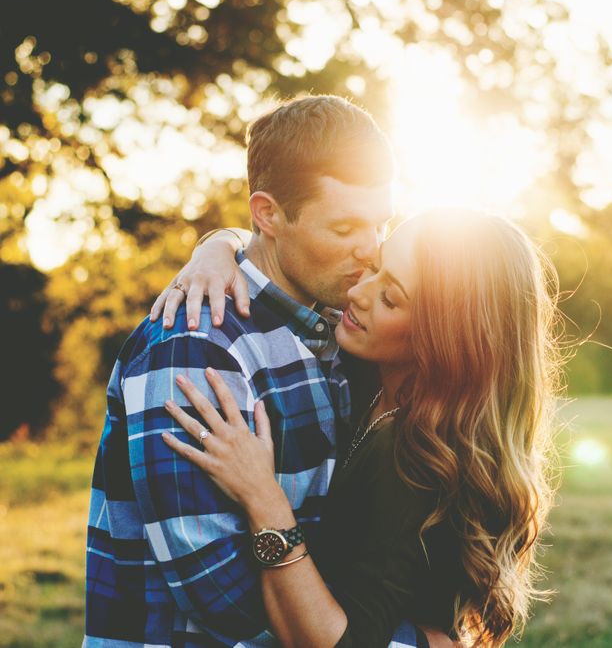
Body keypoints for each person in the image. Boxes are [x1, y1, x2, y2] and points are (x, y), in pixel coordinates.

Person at [83, 94, 449, 647]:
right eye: (346, 226)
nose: (371, 249)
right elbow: (218, 594)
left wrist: (218, 243)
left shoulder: (337, 330)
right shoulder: (196, 347)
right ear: (268, 214)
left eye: (381, 223)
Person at [153, 209, 559, 646]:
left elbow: (337, 641)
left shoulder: (416, 461)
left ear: (444, 339)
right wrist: (215, 249)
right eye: (377, 267)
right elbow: (274, 237)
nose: (360, 292)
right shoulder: (363, 376)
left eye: (391, 298)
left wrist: (261, 496)